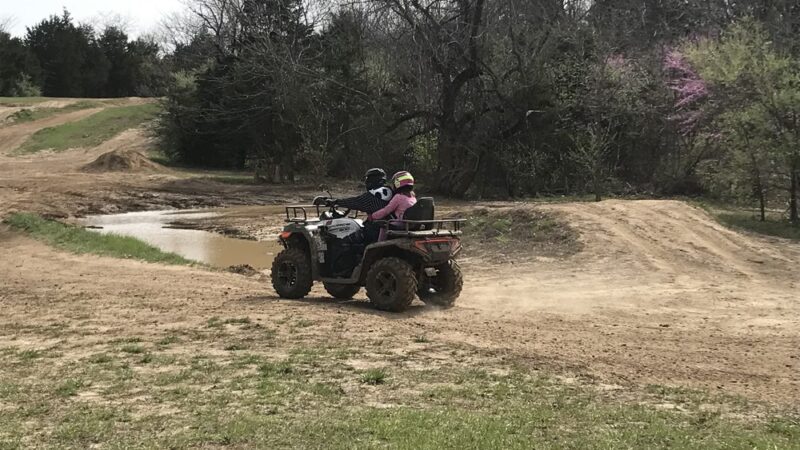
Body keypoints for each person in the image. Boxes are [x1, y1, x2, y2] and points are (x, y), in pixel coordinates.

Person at [368, 171, 417, 241]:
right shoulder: (413, 197)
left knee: (384, 225)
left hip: (402, 223)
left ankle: (380, 246)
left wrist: (373, 216)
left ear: (397, 183)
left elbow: (386, 210)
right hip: (410, 223)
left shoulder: (398, 197)